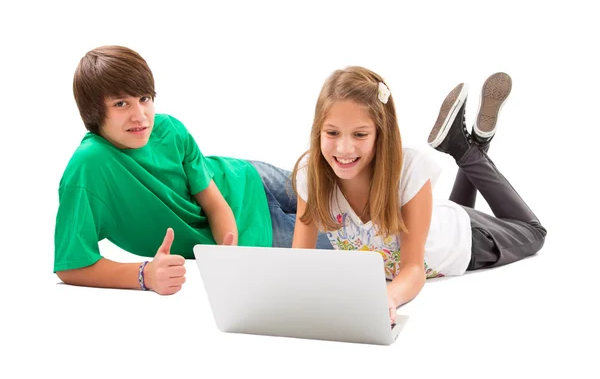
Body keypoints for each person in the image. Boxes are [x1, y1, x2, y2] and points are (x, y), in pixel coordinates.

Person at [54, 45, 332, 296]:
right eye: (120, 104)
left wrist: (228, 252)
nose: (140, 116)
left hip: (249, 177)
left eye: (144, 98)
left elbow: (213, 202)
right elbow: (72, 265)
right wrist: (145, 275)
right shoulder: (88, 169)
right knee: (359, 244)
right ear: (93, 113)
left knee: (353, 190)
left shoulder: (170, 129)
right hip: (260, 233)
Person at [291, 67, 547, 323]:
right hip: (433, 221)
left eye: (360, 134)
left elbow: (413, 268)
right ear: (318, 131)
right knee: (453, 210)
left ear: (381, 134)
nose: (344, 148)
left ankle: (464, 149)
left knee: (534, 233)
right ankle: (477, 141)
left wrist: (388, 298)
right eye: (332, 132)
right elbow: (298, 264)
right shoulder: (310, 177)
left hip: (465, 240)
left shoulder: (409, 168)